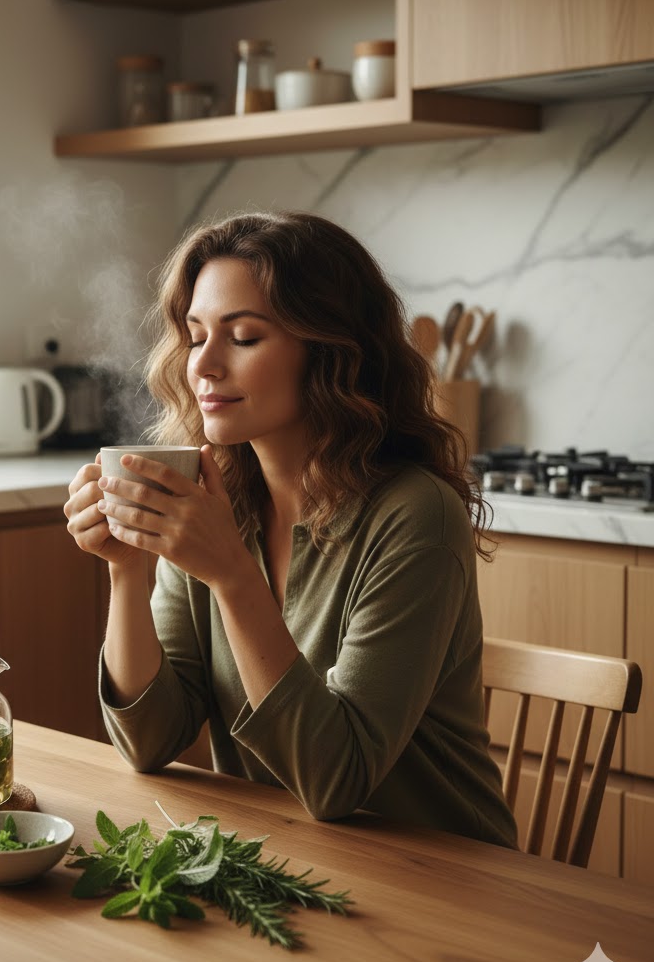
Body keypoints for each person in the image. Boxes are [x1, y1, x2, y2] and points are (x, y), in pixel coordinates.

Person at [63, 211, 518, 849]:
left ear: (331, 353)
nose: (204, 366)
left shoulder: (415, 514)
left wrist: (231, 575)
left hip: (441, 870)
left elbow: (336, 779)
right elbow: (148, 738)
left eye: (244, 337)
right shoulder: (215, 498)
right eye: (195, 337)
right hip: (283, 857)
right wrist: (125, 567)